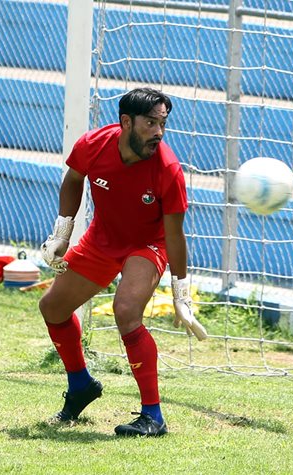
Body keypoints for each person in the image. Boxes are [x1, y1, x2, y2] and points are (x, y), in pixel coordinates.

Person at [38, 87, 207, 437]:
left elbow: (174, 234)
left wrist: (181, 293)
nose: (159, 132)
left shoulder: (168, 169)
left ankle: (153, 416)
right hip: (103, 238)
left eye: (163, 123)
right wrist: (62, 233)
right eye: (150, 123)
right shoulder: (93, 144)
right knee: (53, 307)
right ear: (126, 122)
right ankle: (81, 384)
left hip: (149, 244)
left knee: (126, 310)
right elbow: (73, 179)